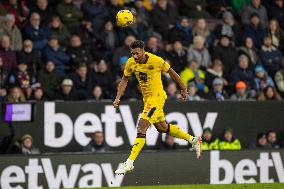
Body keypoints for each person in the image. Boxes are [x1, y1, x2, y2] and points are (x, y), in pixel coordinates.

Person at [113, 40, 202, 174]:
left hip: (157, 97)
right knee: (162, 127)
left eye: (137, 53)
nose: (135, 56)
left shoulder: (156, 60)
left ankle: (129, 162)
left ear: (143, 50)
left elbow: (171, 72)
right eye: (132, 54)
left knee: (141, 126)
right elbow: (125, 79)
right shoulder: (131, 63)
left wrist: (183, 88)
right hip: (147, 99)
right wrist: (118, 97)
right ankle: (193, 140)